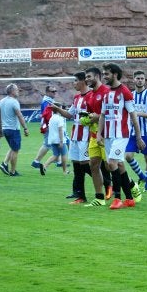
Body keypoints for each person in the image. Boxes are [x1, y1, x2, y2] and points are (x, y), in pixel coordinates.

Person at [96, 63, 146, 209]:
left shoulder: (125, 92)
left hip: (121, 134)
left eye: (106, 74)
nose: (104, 76)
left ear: (115, 74)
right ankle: (130, 198)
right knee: (119, 165)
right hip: (109, 135)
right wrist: (99, 133)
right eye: (104, 74)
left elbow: (133, 116)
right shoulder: (105, 92)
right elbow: (103, 115)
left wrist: (138, 137)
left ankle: (117, 198)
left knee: (111, 164)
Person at [51, 72, 92, 204]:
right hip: (75, 135)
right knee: (76, 166)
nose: (73, 83)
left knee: (85, 165)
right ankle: (80, 195)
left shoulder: (92, 96)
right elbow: (70, 115)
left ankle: (107, 183)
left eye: (75, 81)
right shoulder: (76, 98)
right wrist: (57, 109)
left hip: (86, 136)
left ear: (82, 82)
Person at [84, 66, 113, 207]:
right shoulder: (89, 95)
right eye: (86, 77)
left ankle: (131, 185)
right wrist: (87, 119)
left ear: (97, 76)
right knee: (93, 165)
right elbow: (90, 115)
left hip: (107, 135)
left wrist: (96, 117)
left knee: (110, 166)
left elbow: (112, 114)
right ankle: (99, 197)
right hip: (94, 135)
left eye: (89, 76)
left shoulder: (107, 92)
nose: (87, 79)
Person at [125, 70, 147, 192]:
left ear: (145, 80)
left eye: (142, 78)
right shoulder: (130, 95)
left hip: (146, 132)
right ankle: (142, 176)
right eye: (138, 78)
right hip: (132, 132)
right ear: (133, 80)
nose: (140, 80)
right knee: (128, 156)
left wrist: (137, 113)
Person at [0, 84, 29, 177]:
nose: (18, 91)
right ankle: (13, 171)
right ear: (12, 91)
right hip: (13, 129)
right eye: (16, 89)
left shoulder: (1, 101)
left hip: (5, 129)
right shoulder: (14, 102)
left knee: (12, 147)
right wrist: (25, 128)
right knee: (16, 150)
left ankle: (4, 163)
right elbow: (19, 115)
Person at [30, 85, 57, 170]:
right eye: (53, 91)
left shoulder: (49, 100)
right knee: (47, 143)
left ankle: (58, 161)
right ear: (47, 92)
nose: (54, 93)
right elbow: (47, 115)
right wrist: (49, 125)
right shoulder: (47, 101)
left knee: (53, 142)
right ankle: (36, 161)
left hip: (47, 124)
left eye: (55, 91)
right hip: (48, 124)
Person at [40, 104, 70, 175]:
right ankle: (65, 171)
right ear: (59, 109)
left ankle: (44, 166)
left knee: (55, 155)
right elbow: (60, 130)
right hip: (59, 139)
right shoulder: (60, 118)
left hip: (52, 139)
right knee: (64, 154)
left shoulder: (51, 118)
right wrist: (61, 141)